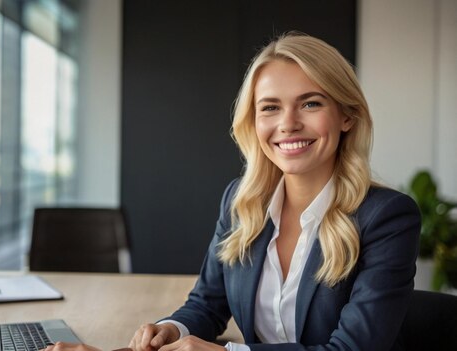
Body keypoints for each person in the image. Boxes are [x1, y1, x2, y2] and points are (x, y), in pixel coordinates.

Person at [42, 32, 421, 351]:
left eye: (310, 103)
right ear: (253, 122)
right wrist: (172, 330)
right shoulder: (242, 201)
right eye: (270, 107)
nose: (288, 124)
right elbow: (207, 305)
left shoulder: (387, 217)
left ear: (347, 116)